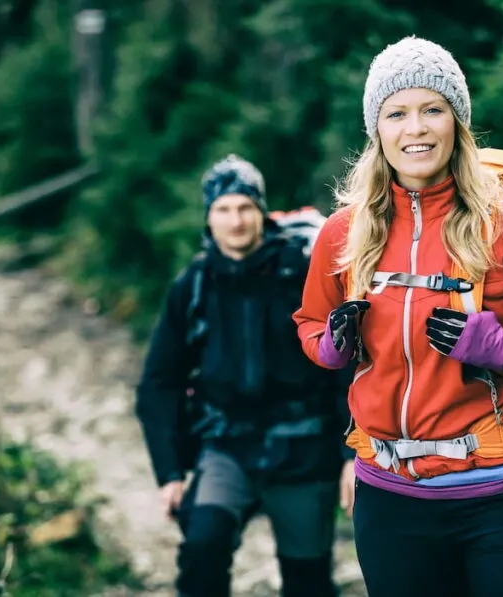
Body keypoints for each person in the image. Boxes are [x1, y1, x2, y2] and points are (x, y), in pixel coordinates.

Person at [293, 36, 503, 597]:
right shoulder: (343, 233)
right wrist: (329, 347)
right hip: (390, 500)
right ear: (377, 129)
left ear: (457, 123)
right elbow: (310, 321)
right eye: (397, 113)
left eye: (432, 109)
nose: (415, 129)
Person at [135, 154, 353, 597]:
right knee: (202, 549)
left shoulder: (303, 272)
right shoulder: (195, 284)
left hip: (305, 448)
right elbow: (159, 381)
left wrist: (353, 453)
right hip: (227, 448)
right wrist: (169, 471)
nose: (235, 221)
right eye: (223, 209)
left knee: (308, 581)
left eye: (244, 208)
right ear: (209, 217)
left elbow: (347, 364)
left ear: (261, 211)